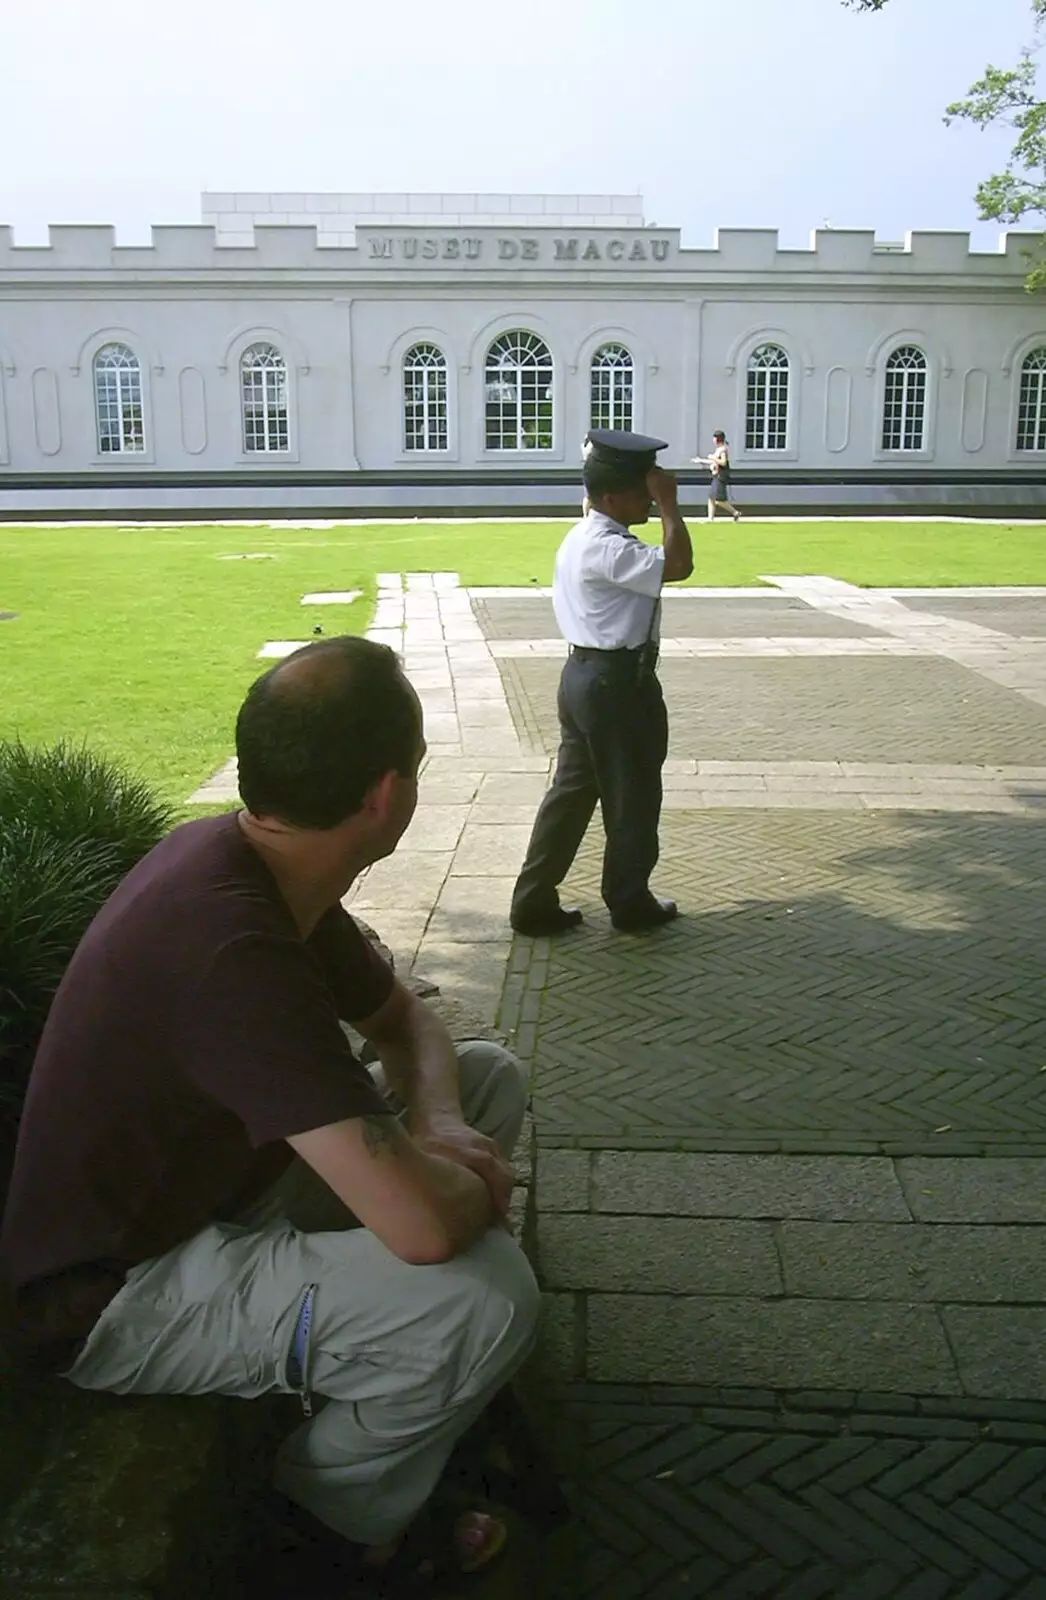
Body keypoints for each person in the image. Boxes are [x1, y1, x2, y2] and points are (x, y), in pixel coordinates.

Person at [0, 636, 539, 1585]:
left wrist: (446, 1131)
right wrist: (459, 1187)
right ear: (386, 795)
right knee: (485, 1300)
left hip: (219, 1192)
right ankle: (329, 1527)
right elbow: (420, 1231)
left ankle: (404, 1404)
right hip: (118, 1293)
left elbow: (407, 1021)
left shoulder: (256, 863)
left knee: (487, 1077)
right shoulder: (231, 950)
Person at [509, 429, 694, 937]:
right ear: (612, 497)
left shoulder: (584, 534)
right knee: (632, 796)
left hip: (583, 678)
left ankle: (532, 901)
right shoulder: (609, 549)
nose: (650, 503)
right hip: (617, 686)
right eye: (642, 493)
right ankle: (630, 902)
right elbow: (679, 565)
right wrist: (673, 504)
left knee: (569, 797)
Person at [696, 429, 742, 522]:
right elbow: (713, 461)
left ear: (718, 439)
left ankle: (735, 512)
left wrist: (713, 457)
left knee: (719, 500)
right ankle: (710, 518)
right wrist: (700, 460)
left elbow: (723, 462)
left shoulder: (723, 450)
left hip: (720, 476)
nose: (713, 440)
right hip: (716, 476)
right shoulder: (718, 450)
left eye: (714, 438)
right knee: (711, 498)